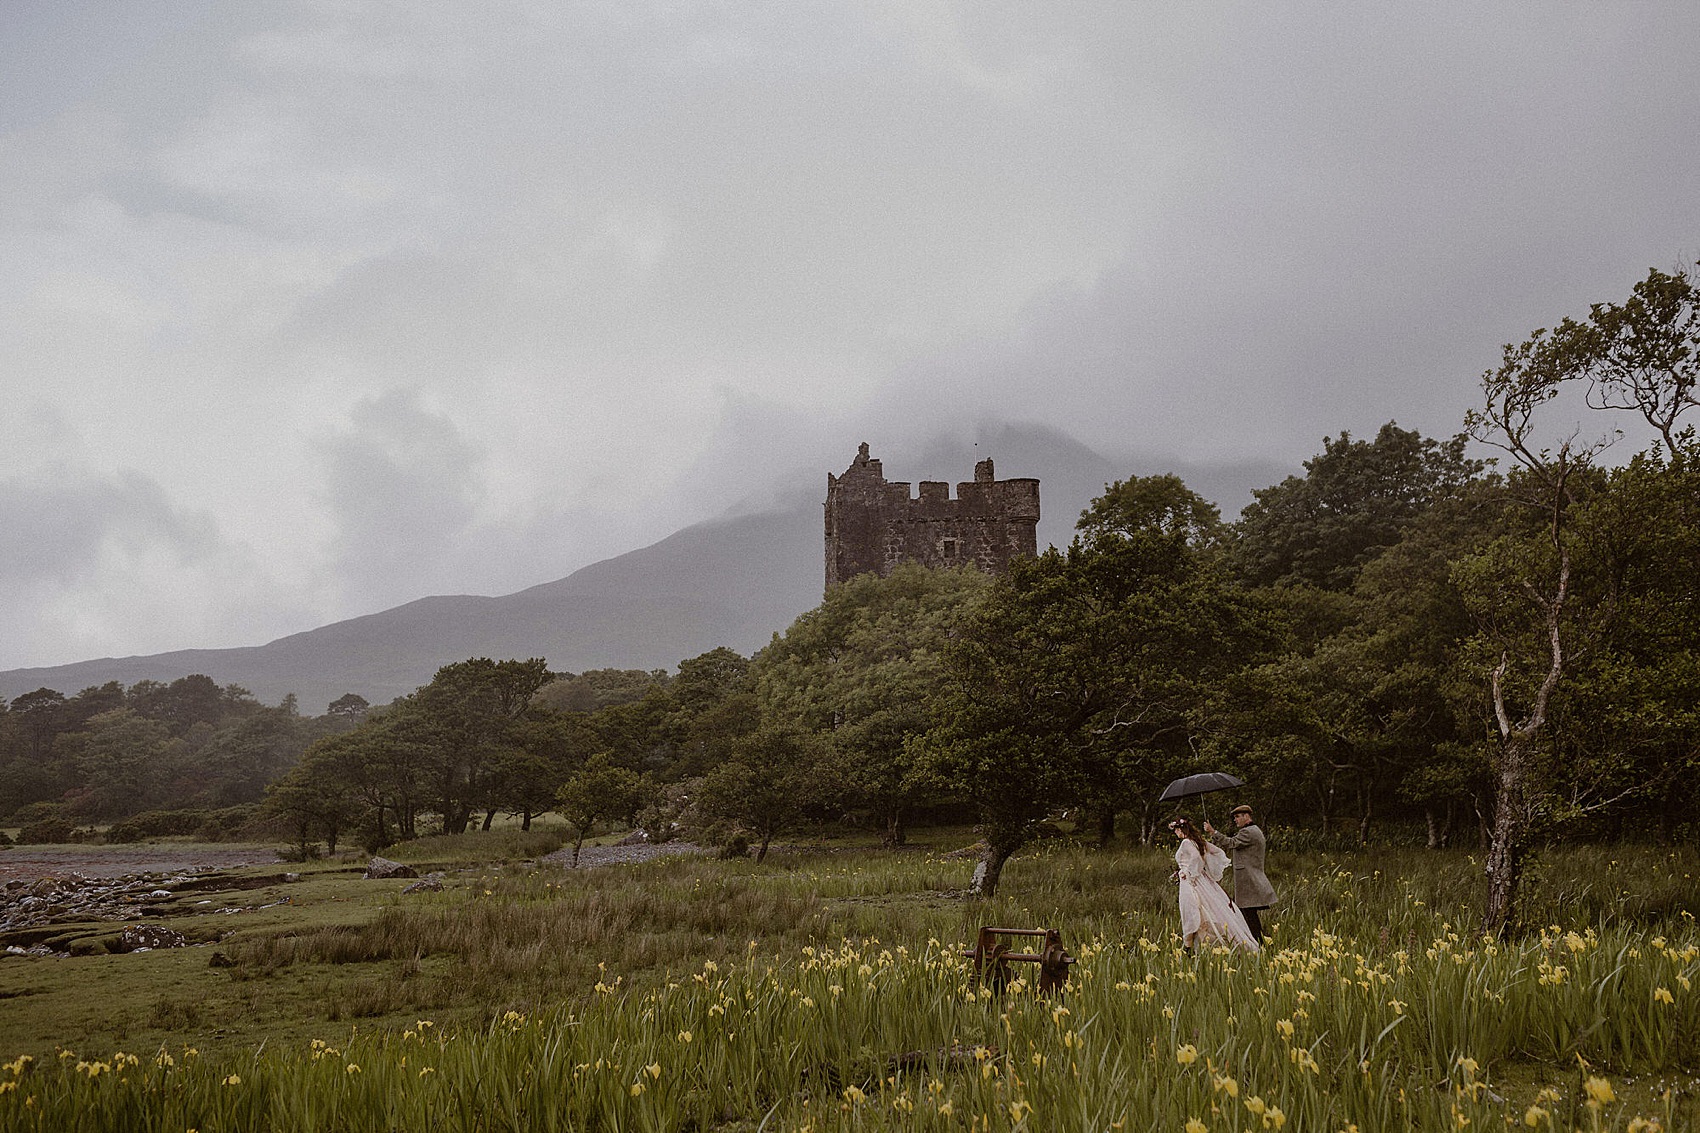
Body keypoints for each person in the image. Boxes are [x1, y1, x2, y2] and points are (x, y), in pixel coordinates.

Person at [1170, 817, 1258, 952]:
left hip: (1191, 881)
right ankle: (1192, 945)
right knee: (1209, 909)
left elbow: (1195, 858)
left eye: (1176, 830)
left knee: (1191, 910)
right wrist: (1204, 868)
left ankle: (1188, 947)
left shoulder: (1187, 842)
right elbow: (1216, 851)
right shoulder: (1198, 841)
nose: (1176, 833)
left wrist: (1189, 873)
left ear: (1181, 829)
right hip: (1201, 880)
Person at [1204, 805, 1276, 944]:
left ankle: (1258, 944)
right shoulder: (1251, 831)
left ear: (1246, 816)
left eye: (1237, 817)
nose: (1235, 820)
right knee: (1246, 914)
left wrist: (1213, 832)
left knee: (1247, 915)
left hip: (1249, 881)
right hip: (1249, 880)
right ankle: (1256, 943)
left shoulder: (1248, 832)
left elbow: (1231, 843)